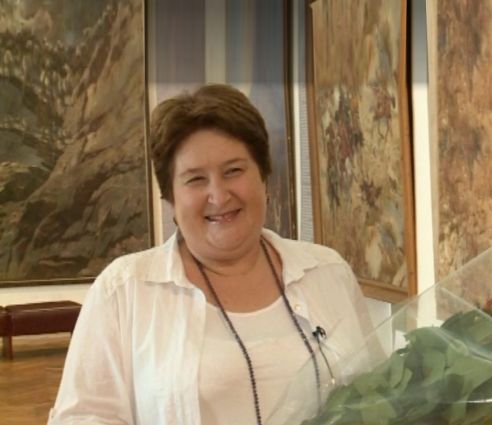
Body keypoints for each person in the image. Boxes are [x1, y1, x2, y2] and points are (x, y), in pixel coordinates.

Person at [48, 84, 375, 425]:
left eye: (233, 171)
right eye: (195, 179)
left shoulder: (329, 271)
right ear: (170, 196)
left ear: (263, 176)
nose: (218, 195)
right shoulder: (124, 290)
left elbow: (380, 396)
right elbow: (82, 419)